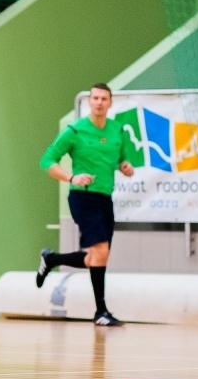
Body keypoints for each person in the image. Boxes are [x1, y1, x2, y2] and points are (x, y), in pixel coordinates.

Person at [36, 83, 134, 327]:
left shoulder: (118, 130)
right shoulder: (75, 131)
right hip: (83, 196)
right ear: (89, 102)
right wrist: (71, 177)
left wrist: (125, 167)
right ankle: (101, 312)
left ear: (110, 103)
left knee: (97, 256)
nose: (99, 102)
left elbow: (122, 159)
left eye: (104, 98)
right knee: (100, 251)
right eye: (95, 98)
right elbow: (47, 161)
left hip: (104, 198)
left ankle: (52, 259)